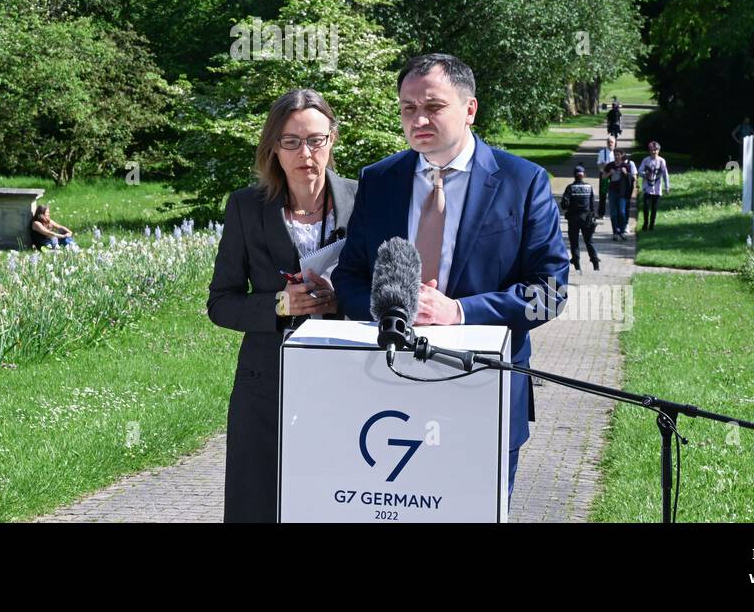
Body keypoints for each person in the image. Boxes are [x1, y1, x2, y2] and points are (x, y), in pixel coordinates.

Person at [331, 54, 569, 504]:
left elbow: (550, 292)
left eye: (433, 107)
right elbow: (350, 277)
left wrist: (458, 312)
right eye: (407, 108)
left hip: (485, 389)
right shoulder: (378, 180)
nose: (418, 119)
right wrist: (390, 312)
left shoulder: (524, 181)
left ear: (470, 108)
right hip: (385, 392)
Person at [207, 89, 357, 523]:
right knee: (258, 502)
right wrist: (279, 304)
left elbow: (382, 287)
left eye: (315, 139)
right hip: (266, 383)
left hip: (345, 377)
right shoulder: (245, 207)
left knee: (333, 498)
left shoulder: (363, 200)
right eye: (290, 141)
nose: (304, 153)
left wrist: (340, 299)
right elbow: (220, 303)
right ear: (273, 147)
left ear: (333, 139)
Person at [559, 165, 599, 272]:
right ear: (584, 175)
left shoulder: (570, 188)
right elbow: (592, 205)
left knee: (574, 242)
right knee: (589, 241)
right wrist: (593, 216)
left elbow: (564, 204)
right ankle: (595, 263)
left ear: (574, 176)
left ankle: (577, 264)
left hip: (573, 219)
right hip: (587, 219)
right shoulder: (589, 187)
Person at [637, 141, 670, 231]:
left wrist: (667, 187)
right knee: (646, 207)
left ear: (658, 150)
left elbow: (665, 174)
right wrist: (644, 174)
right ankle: (645, 223)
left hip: (657, 188)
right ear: (649, 150)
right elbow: (639, 171)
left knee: (654, 208)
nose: (654, 152)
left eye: (655, 150)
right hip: (646, 188)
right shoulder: (646, 160)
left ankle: (652, 224)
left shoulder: (662, 161)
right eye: (652, 150)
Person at [606, 149, 636, 240]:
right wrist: (609, 173)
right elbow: (603, 176)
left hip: (622, 192)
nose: (616, 156)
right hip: (612, 192)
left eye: (618, 155)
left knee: (622, 212)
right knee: (613, 213)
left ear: (622, 156)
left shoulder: (626, 166)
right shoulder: (610, 165)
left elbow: (632, 178)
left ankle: (622, 231)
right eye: (615, 155)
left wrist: (626, 173)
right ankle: (615, 232)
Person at [596, 135, 616, 219]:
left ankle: (614, 213)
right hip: (604, 175)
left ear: (615, 143)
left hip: (614, 176)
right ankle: (601, 213)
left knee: (614, 194)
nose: (610, 144)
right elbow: (598, 165)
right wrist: (603, 166)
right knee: (603, 194)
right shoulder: (602, 152)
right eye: (608, 142)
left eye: (611, 142)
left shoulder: (617, 153)